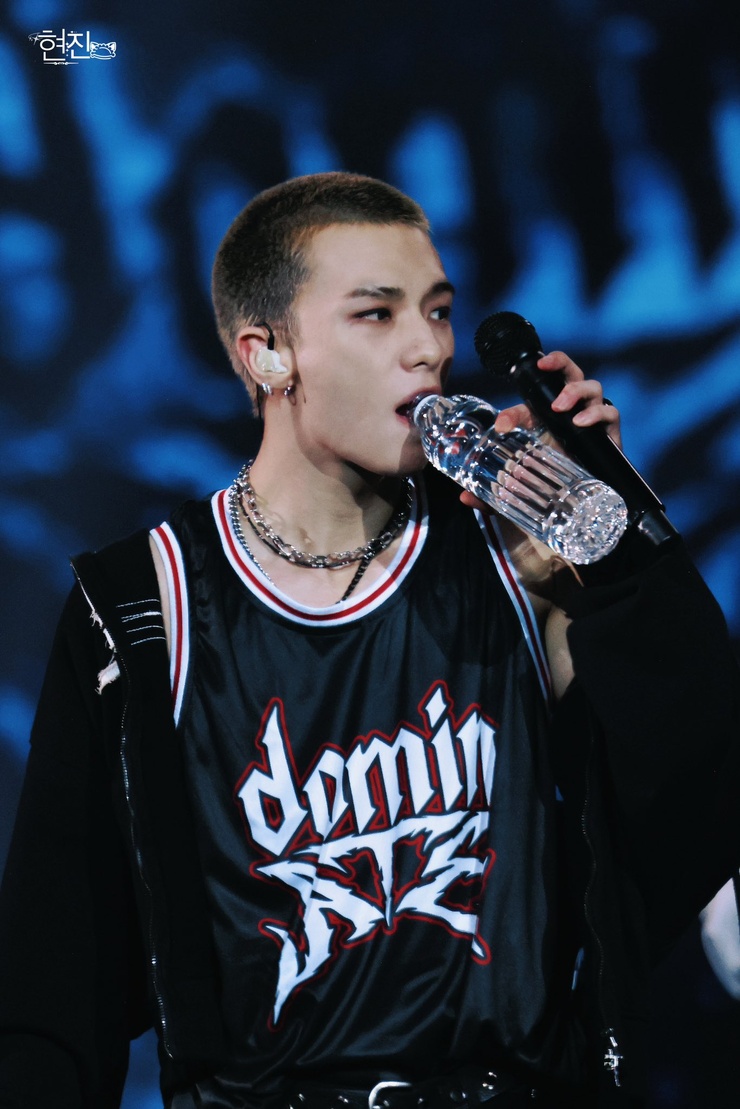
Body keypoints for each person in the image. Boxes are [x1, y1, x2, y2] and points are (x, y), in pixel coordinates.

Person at [0, 172, 738, 1109]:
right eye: (376, 314)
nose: (429, 347)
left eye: (438, 310)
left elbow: (697, 798)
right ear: (269, 355)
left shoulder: (510, 553)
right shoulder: (148, 602)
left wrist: (624, 550)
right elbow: (56, 977)